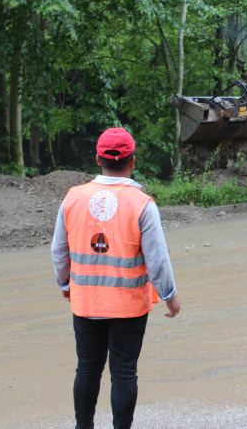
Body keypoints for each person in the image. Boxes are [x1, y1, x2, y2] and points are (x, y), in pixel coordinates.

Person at [51, 127, 180, 429]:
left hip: (85, 303)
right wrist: (170, 296)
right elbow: (157, 260)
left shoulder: (72, 198)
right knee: (123, 372)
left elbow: (59, 250)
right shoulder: (141, 204)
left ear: (98, 159)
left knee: (87, 368)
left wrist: (65, 284)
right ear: (132, 161)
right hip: (128, 306)